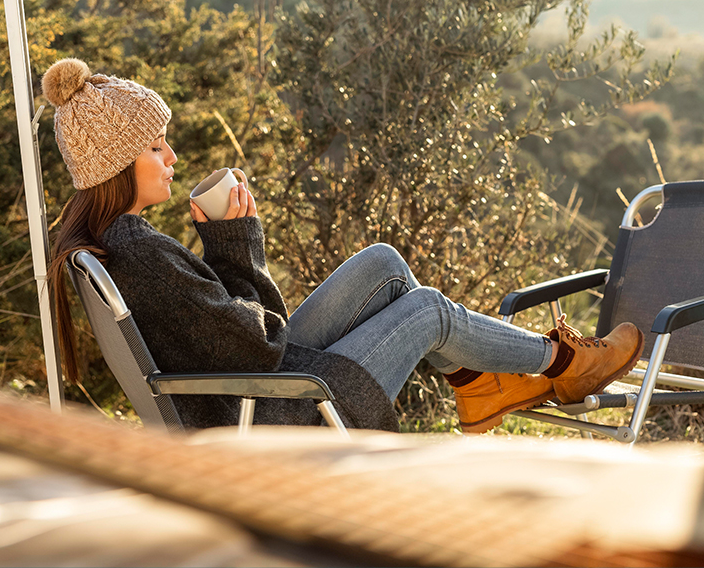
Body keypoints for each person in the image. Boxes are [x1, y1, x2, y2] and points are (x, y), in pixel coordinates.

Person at [43, 58, 643, 433]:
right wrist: (233, 241)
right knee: (429, 309)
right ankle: (565, 365)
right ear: (117, 164)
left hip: (253, 386)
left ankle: (477, 386)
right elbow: (257, 341)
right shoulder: (143, 254)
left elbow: (229, 334)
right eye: (155, 148)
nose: (172, 158)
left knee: (383, 264)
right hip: (281, 408)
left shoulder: (118, 242)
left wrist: (227, 243)